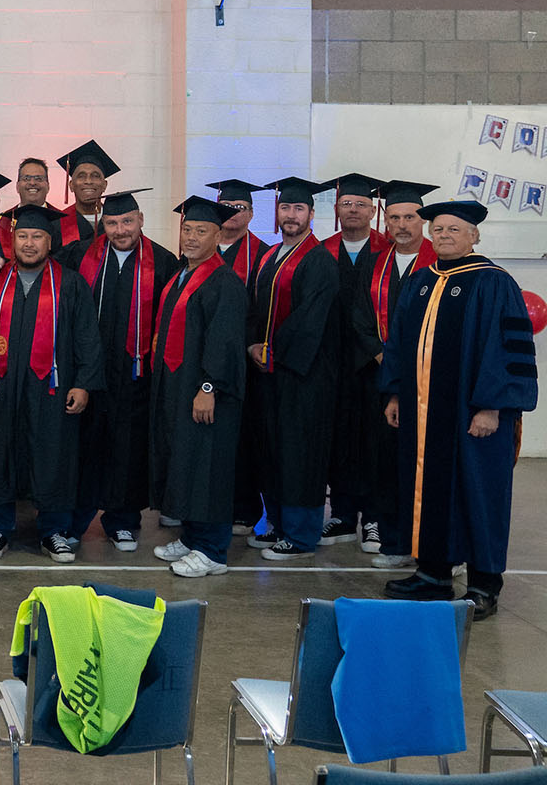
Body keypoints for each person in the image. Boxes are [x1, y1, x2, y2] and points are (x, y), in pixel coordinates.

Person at [379, 199, 537, 620]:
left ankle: (485, 583)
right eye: (439, 229)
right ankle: (432, 573)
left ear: (474, 235)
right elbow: (398, 342)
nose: (444, 236)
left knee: (479, 492)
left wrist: (491, 407)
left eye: (453, 229)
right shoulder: (422, 282)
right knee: (424, 489)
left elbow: (508, 350)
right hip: (423, 414)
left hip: (473, 415)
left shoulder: (493, 282)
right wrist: (395, 393)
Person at [0, 204, 103, 562]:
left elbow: (88, 338)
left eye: (37, 236)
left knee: (54, 453)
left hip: (53, 389)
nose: (29, 243)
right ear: (11, 239)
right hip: (1, 385)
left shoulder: (70, 284)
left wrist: (84, 383)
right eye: (22, 235)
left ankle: (54, 530)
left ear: (49, 240)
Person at [58, 190, 173, 552]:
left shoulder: (165, 262)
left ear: (141, 220)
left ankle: (123, 521)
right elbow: (38, 268)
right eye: (112, 223)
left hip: (137, 375)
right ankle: (75, 521)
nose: (120, 230)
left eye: (127, 221)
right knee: (85, 448)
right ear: (101, 225)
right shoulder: (79, 256)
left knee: (128, 448)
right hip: (89, 373)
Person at [148, 196, 250, 578]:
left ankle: (212, 550)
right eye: (187, 229)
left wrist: (209, 386)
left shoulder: (223, 281)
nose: (191, 237)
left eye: (201, 231)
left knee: (208, 467)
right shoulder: (183, 274)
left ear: (218, 234)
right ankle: (192, 537)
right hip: (179, 386)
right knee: (187, 462)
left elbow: (224, 341)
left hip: (207, 393)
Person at [240, 177, 340, 561]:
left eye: (299, 209)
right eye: (285, 208)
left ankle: (300, 536)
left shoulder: (318, 261)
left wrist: (275, 351)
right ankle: (278, 525)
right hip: (271, 373)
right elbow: (252, 308)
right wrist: (252, 345)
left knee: (301, 453)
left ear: (312, 215)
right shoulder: (270, 256)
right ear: (277, 213)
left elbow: (310, 320)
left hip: (304, 376)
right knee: (273, 450)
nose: (291, 216)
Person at [343, 179, 439, 569]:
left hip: (427, 380)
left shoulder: (439, 263)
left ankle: (431, 540)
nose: (402, 225)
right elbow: (358, 314)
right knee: (380, 455)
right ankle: (388, 532)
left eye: (410, 217)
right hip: (379, 376)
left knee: (424, 461)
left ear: (423, 221)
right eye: (395, 217)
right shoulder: (375, 260)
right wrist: (380, 355)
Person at [322, 172, 391, 548]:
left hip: (376, 364)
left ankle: (375, 518)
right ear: (336, 209)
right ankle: (344, 516)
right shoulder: (323, 250)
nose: (353, 209)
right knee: (340, 441)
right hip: (334, 364)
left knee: (375, 442)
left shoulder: (387, 251)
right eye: (346, 203)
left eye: (361, 204)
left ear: (372, 210)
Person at [55, 140, 119, 246]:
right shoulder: (57, 224)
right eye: (81, 176)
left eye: (95, 176)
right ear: (71, 185)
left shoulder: (120, 223)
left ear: (104, 185)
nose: (88, 181)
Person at [209, 179, 267, 281]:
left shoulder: (263, 254)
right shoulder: (202, 247)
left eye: (240, 207)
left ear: (251, 214)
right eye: (226, 205)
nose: (232, 211)